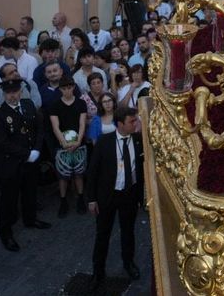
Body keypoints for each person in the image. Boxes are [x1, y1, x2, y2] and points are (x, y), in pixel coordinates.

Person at [85, 106, 144, 291]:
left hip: (129, 195)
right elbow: (92, 171)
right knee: (102, 234)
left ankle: (128, 263)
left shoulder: (138, 140)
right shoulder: (104, 142)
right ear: (120, 124)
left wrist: (141, 197)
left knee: (128, 232)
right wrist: (91, 199)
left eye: (136, 120)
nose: (135, 124)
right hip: (107, 196)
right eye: (132, 121)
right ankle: (98, 272)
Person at [0, 79, 50, 252]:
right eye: (8, 93)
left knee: (30, 193)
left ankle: (30, 219)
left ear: (20, 92)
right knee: (9, 201)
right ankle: (6, 233)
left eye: (15, 92)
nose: (12, 96)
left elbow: (39, 129)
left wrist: (36, 149)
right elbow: (1, 143)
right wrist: (26, 154)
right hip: (11, 164)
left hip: (31, 161)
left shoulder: (28, 105)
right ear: (3, 94)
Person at [49, 76, 88, 217]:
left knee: (79, 174)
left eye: (69, 88)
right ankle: (63, 200)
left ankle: (80, 198)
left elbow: (82, 124)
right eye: (64, 88)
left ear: (73, 87)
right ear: (60, 89)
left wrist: (78, 141)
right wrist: (63, 142)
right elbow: (55, 127)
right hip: (62, 145)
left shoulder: (81, 103)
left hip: (79, 143)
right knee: (63, 176)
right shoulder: (54, 105)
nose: (67, 91)